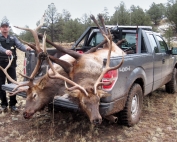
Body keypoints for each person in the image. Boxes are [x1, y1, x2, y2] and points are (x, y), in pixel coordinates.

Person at [0, 17, 31, 113]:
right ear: (0, 28)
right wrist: (6, 51)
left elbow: (20, 45)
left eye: (6, 27)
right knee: (1, 85)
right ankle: (4, 104)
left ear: (9, 28)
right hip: (1, 65)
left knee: (13, 85)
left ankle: (13, 104)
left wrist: (26, 48)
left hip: (11, 65)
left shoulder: (13, 38)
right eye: (3, 27)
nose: (5, 28)